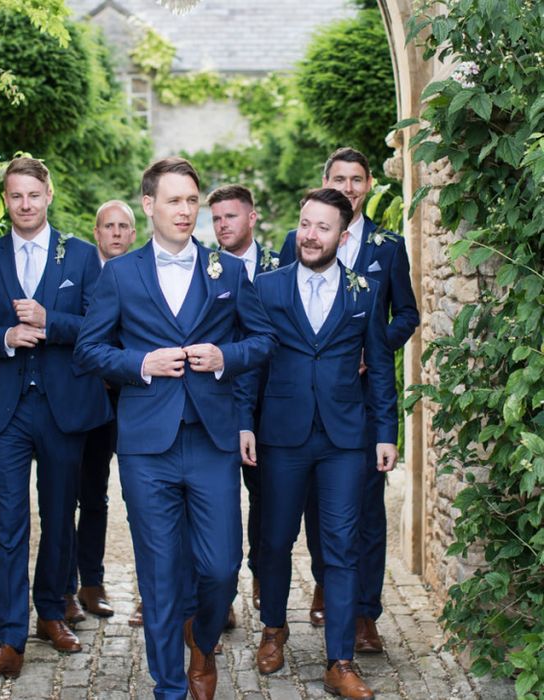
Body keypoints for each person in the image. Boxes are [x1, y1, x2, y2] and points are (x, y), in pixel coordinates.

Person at [74, 157, 276, 700]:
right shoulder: (118, 274)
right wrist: (141, 364)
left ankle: (202, 645)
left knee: (220, 567)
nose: (186, 211)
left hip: (212, 440)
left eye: (192, 200)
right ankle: (169, 686)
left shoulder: (228, 271)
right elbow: (89, 349)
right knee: (160, 576)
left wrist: (224, 356)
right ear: (149, 206)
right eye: (174, 201)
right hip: (147, 444)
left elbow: (262, 342)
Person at [0, 157, 112, 678]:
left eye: (33, 195)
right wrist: (3, 338)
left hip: (63, 408)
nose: (25, 205)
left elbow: (99, 327)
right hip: (7, 413)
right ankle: (8, 639)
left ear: (49, 195)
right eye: (15, 196)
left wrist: (51, 322)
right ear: (7, 199)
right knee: (9, 525)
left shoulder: (83, 257)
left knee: (60, 514)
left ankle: (51, 610)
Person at [242, 187, 398, 699]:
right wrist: (245, 423)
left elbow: (379, 368)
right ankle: (273, 629)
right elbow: (250, 367)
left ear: (341, 234)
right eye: (305, 224)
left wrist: (385, 433)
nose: (310, 235)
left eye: (322, 227)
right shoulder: (266, 288)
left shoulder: (364, 292)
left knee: (341, 547)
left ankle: (341, 660)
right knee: (274, 540)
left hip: (344, 440)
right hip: (282, 435)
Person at [279, 147, 419, 651]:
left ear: (368, 185)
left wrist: (372, 346)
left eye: (357, 179)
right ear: (325, 181)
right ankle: (328, 582)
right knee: (318, 505)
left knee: (366, 507)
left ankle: (364, 613)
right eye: (338, 178)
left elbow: (406, 313)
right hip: (304, 403)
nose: (348, 187)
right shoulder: (296, 243)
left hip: (362, 396)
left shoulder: (388, 245)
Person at [65, 200, 137, 623]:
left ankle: (149, 593)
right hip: (86, 397)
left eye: (122, 226)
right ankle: (85, 584)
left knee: (141, 494)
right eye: (107, 225)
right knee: (85, 493)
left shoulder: (144, 273)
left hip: (131, 399)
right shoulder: (79, 272)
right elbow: (77, 327)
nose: (115, 232)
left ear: (132, 234)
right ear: (97, 233)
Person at [209, 183, 279, 612]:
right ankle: (220, 596)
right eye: (215, 218)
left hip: (272, 403)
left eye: (230, 216)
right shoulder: (202, 266)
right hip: (215, 399)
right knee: (215, 502)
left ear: (251, 217)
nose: (222, 226)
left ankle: (261, 576)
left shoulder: (280, 266)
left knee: (267, 500)